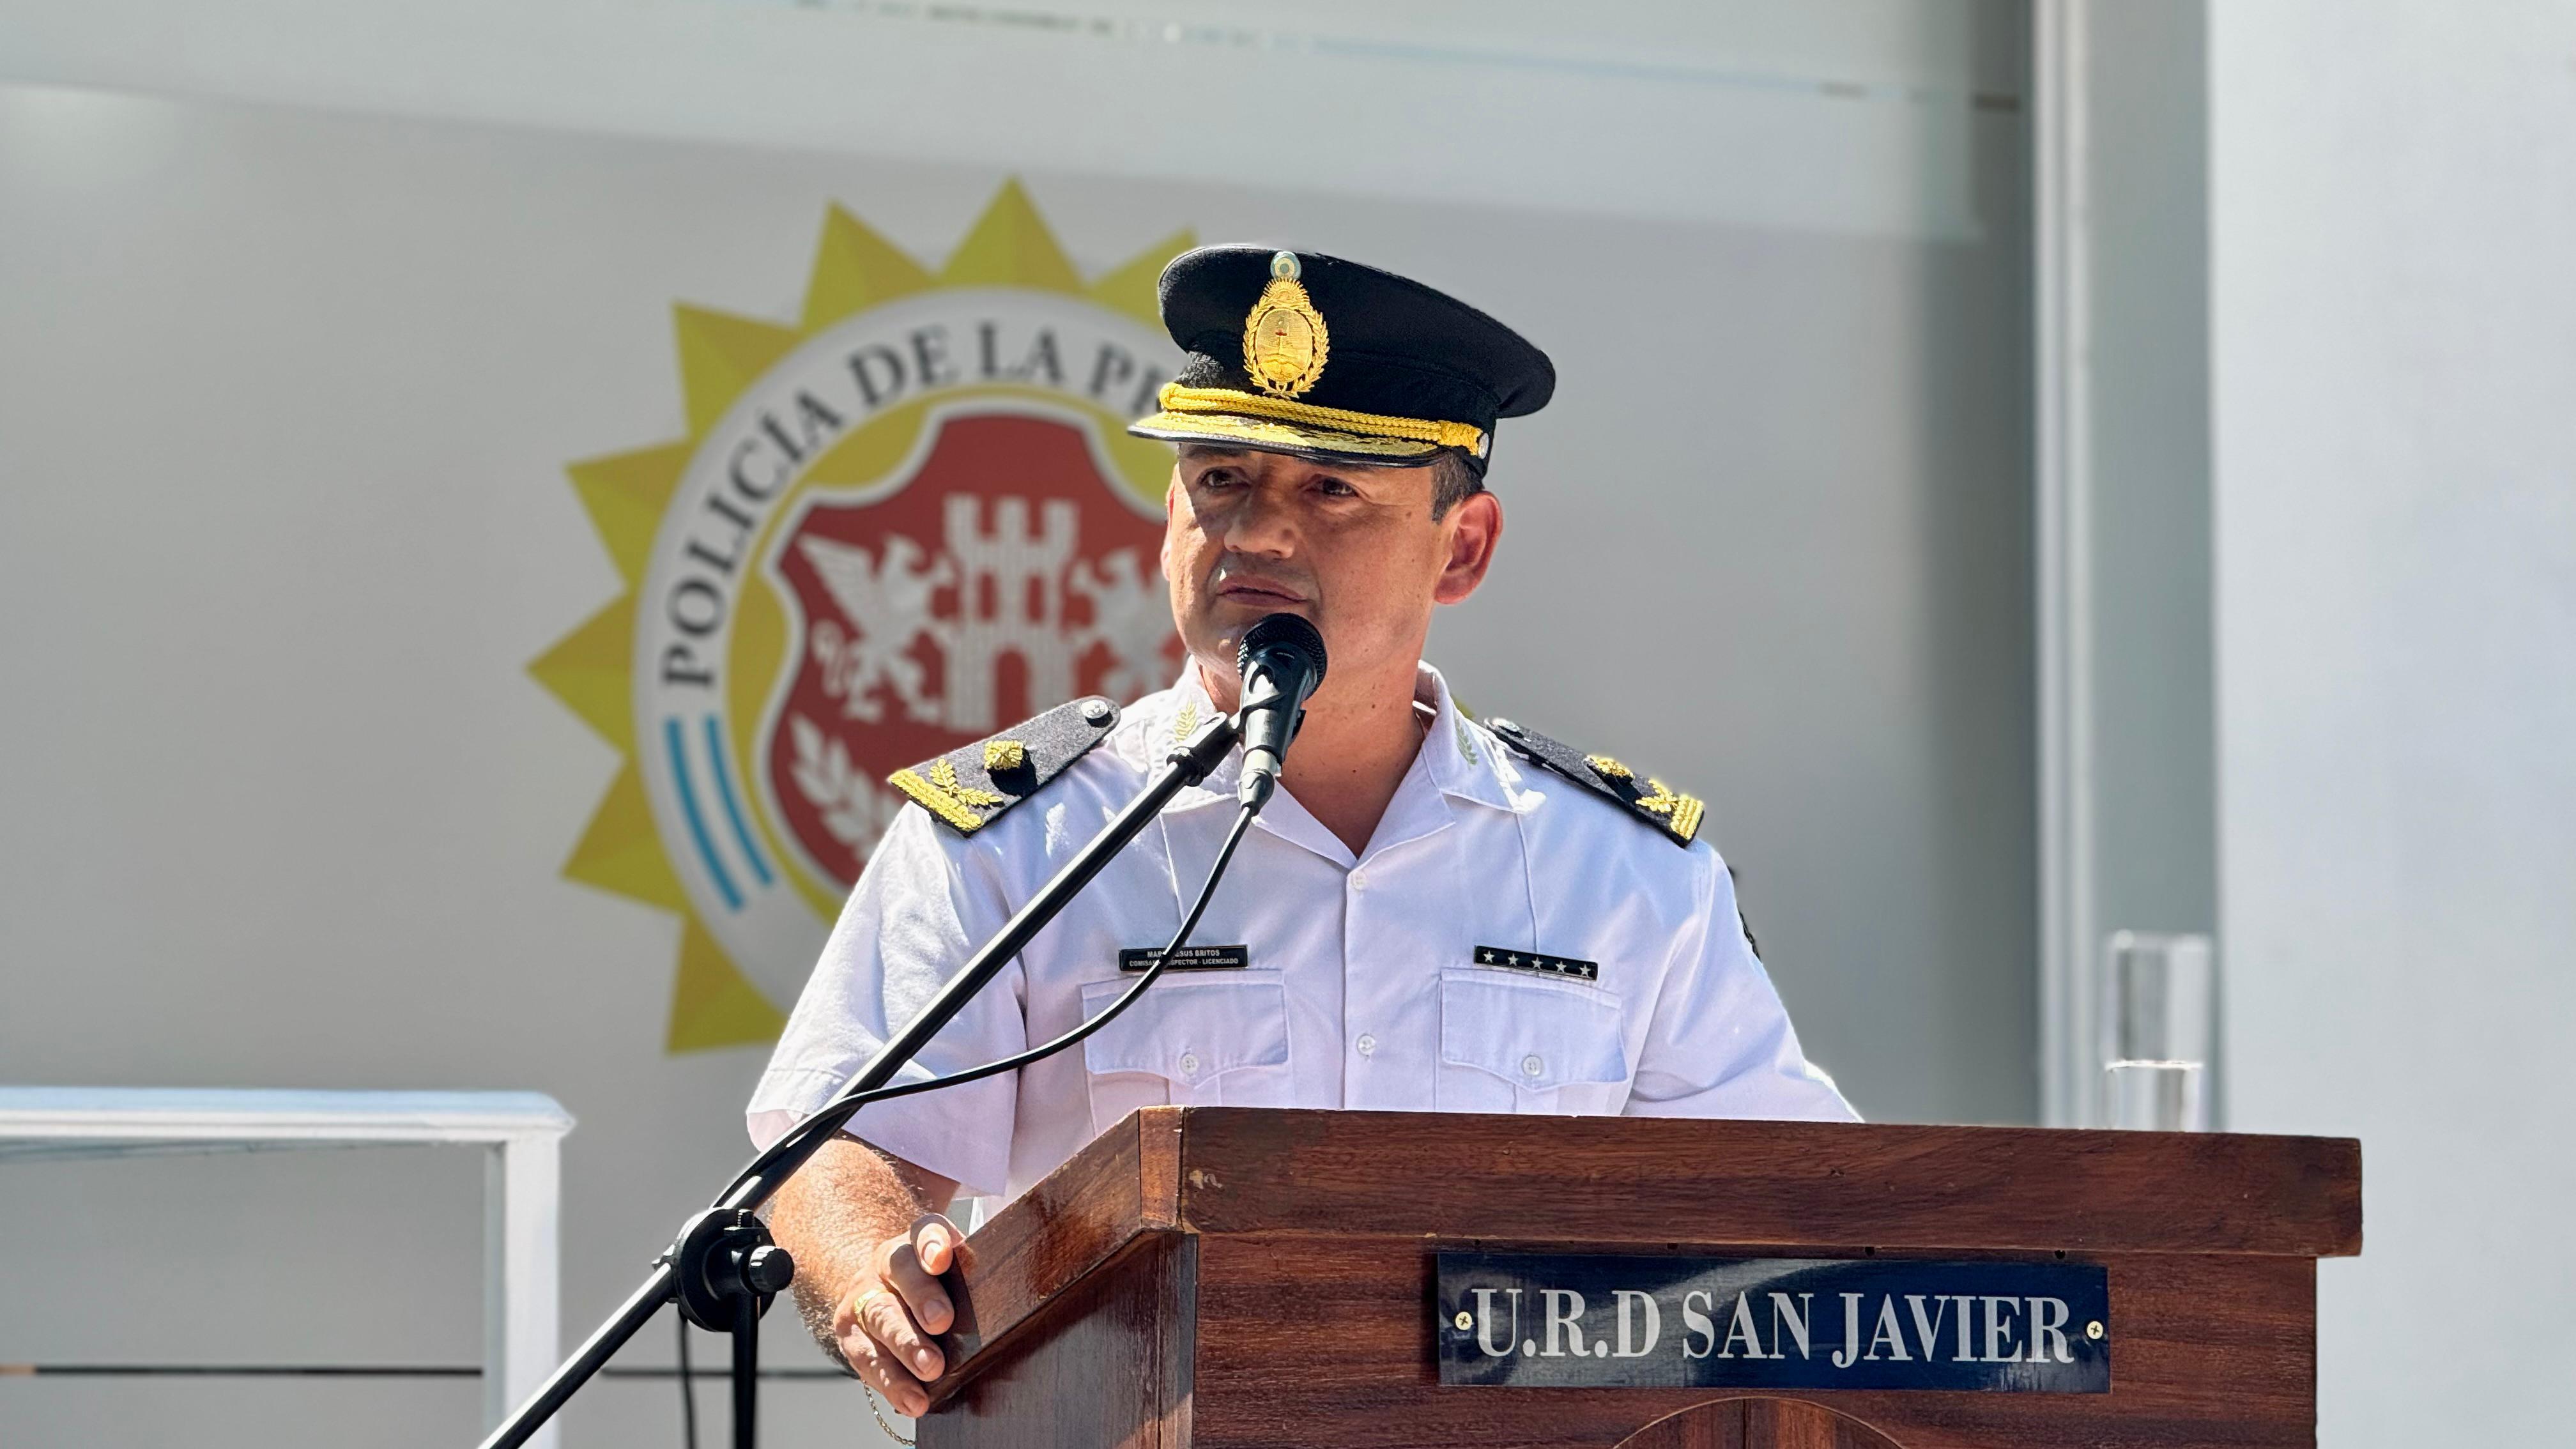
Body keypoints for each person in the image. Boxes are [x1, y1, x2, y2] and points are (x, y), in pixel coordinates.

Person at [747, 246, 1857, 1419]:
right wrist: (876, 1272)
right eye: (1222, 478)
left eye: (1331, 490)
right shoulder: (1025, 843)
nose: (1260, 534)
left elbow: (1805, 1221)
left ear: (1463, 547)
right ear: (1170, 516)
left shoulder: (1623, 874)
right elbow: (843, 1146)